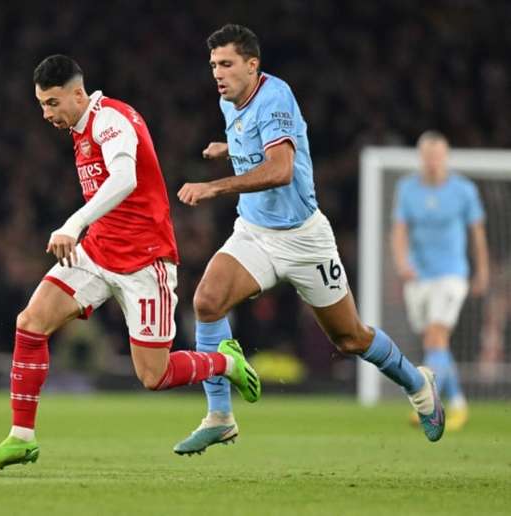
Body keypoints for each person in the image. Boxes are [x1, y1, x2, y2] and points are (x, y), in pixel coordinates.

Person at [0, 55, 261, 472]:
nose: (46, 114)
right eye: (41, 104)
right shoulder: (79, 127)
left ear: (78, 93)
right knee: (30, 323)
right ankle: (22, 437)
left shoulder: (111, 119)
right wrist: (86, 231)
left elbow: (124, 179)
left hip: (146, 261)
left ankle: (225, 362)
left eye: (53, 103)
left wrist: (73, 223)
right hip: (98, 250)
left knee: (153, 376)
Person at [174, 24, 445, 455]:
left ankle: (418, 384)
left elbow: (280, 169)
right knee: (207, 301)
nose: (217, 74)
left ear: (252, 64)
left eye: (226, 64)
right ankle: (220, 416)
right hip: (255, 233)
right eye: (213, 66)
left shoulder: (275, 95)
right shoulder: (231, 101)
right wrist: (230, 147)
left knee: (350, 338)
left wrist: (213, 187)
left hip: (304, 239)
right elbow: (258, 141)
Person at [390, 131, 488, 431]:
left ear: (445, 157)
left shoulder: (463, 190)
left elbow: (477, 233)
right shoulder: (407, 188)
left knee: (435, 334)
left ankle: (428, 405)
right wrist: (402, 263)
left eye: (438, 155)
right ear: (421, 158)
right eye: (428, 156)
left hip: (451, 273)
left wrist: (481, 270)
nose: (433, 161)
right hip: (419, 275)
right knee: (435, 342)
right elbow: (399, 230)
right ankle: (457, 403)